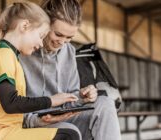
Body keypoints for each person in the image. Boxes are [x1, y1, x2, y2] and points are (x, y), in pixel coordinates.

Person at [0, 1, 81, 140]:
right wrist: (51, 100)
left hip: (10, 131)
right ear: (24, 26)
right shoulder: (2, 54)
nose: (41, 43)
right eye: (40, 36)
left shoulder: (11, 56)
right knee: (68, 135)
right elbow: (11, 103)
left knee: (68, 132)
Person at [20, 0, 121, 140]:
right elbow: (11, 106)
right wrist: (37, 120)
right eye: (58, 34)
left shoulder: (69, 51)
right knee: (68, 131)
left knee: (105, 104)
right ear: (43, 23)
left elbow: (70, 99)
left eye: (69, 37)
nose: (62, 42)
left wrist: (81, 97)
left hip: (62, 117)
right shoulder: (22, 51)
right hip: (33, 122)